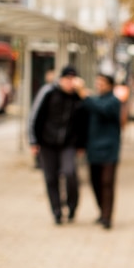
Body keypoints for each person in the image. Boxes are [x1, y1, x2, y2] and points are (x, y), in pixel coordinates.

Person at [29, 65, 86, 225]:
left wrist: (81, 144)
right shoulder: (48, 92)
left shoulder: (77, 97)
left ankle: (72, 205)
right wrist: (33, 141)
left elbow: (84, 121)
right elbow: (35, 115)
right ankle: (56, 211)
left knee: (69, 173)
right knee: (50, 178)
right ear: (60, 79)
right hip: (47, 143)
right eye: (67, 79)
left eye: (72, 79)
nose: (69, 83)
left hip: (68, 144)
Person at [74, 73, 122, 230]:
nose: (99, 85)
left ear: (110, 85)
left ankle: (107, 217)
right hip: (93, 149)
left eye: (102, 82)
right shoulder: (93, 100)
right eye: (97, 82)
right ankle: (102, 212)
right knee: (95, 183)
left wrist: (84, 95)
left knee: (107, 183)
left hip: (109, 150)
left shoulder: (113, 102)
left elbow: (103, 110)